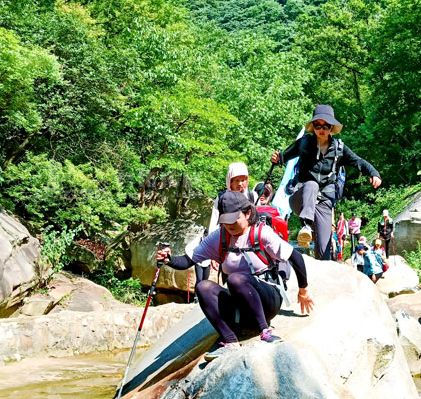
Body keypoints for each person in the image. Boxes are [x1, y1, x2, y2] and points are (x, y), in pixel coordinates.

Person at [157, 191, 313, 361]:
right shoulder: (219, 237)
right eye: (225, 221)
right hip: (240, 308)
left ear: (248, 213)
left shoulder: (261, 233)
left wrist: (303, 290)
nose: (229, 225)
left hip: (267, 301)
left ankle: (265, 331)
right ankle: (230, 341)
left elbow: (295, 257)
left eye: (234, 219)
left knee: (235, 278)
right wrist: (168, 259)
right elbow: (187, 261)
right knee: (203, 287)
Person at [271, 105, 382, 260]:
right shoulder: (303, 143)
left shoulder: (339, 148)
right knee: (312, 184)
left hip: (323, 201)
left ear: (331, 127)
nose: (321, 129)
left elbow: (358, 161)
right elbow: (283, 157)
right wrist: (277, 159)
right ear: (313, 127)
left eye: (326, 126)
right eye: (317, 125)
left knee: (324, 250)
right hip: (301, 197)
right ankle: (306, 227)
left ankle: (320, 273)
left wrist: (373, 173)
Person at [208, 162, 258, 234]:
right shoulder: (222, 198)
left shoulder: (252, 195)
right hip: (226, 236)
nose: (240, 184)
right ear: (230, 181)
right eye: (237, 180)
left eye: (242, 180)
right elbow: (214, 221)